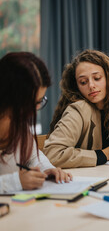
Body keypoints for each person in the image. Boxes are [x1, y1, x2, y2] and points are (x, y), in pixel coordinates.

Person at [43, 50, 109, 168]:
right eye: (83, 82)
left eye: (97, 78)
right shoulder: (78, 110)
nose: (91, 85)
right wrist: (105, 154)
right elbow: (52, 153)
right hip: (92, 180)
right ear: (76, 86)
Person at [0, 52, 72, 193]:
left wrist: (46, 169)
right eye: (31, 103)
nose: (35, 110)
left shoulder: (18, 122)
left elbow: (32, 156)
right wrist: (16, 181)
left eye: (39, 101)